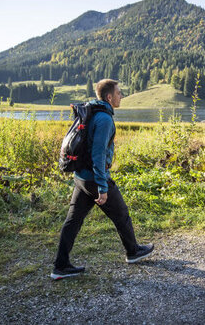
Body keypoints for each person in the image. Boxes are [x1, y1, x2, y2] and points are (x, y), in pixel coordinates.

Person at [51, 79, 154, 280]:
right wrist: (102, 186)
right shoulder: (105, 119)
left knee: (73, 221)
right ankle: (133, 252)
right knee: (121, 213)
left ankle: (60, 266)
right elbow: (98, 155)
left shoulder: (92, 111)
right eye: (119, 93)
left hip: (81, 177)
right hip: (93, 178)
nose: (121, 96)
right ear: (109, 97)